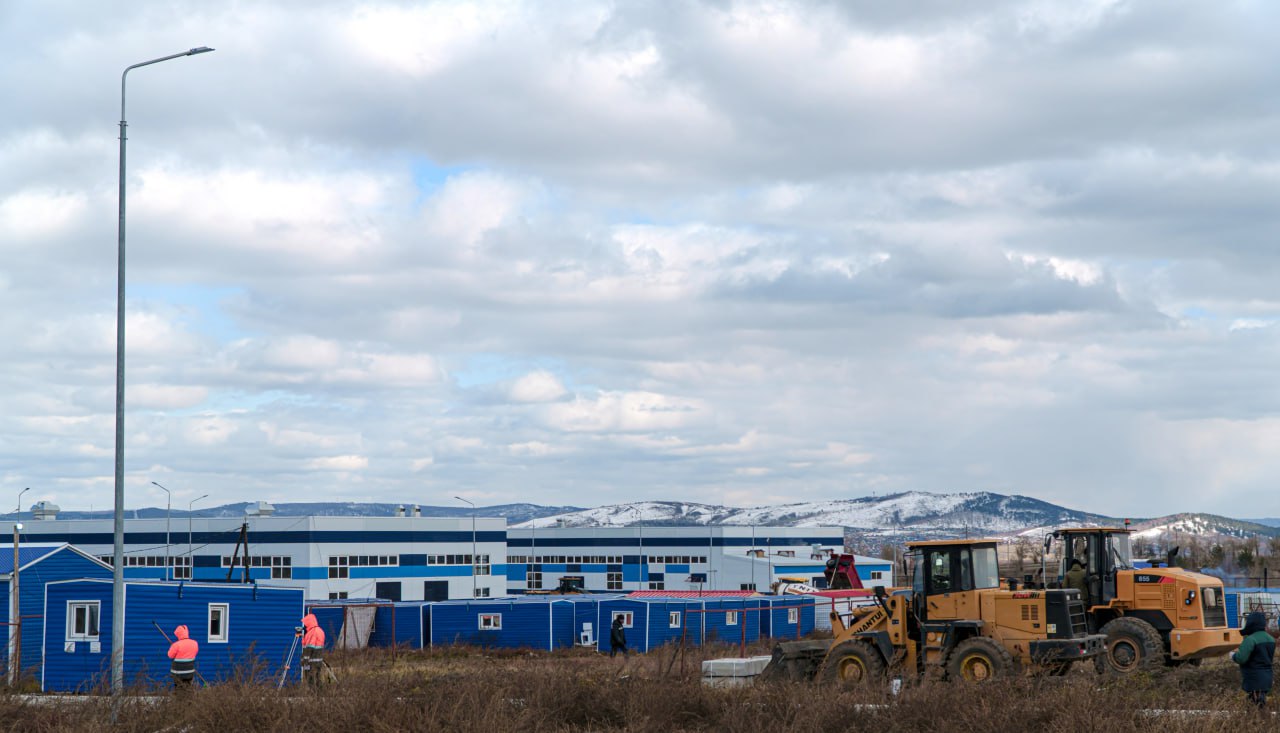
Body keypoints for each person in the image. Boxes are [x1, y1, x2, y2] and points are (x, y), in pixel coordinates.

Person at [1232, 610, 1274, 709]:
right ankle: (1260, 721)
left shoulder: (1251, 640)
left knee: (1255, 706)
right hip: (1267, 677)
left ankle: (1256, 722)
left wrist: (1233, 655)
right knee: (1259, 703)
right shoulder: (1271, 639)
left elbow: (1241, 658)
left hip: (1254, 679)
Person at [166, 624, 199, 691]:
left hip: (178, 673)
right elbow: (195, 653)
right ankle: (188, 700)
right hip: (190, 672)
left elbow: (170, 655)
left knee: (178, 688)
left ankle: (179, 700)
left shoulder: (176, 645)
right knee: (188, 687)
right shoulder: (195, 643)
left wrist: (172, 647)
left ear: (178, 634)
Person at [300, 613, 327, 688]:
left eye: (306, 623)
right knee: (318, 676)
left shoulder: (312, 632)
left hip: (310, 661)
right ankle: (319, 694)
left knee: (310, 677)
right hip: (318, 659)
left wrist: (304, 661)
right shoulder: (320, 631)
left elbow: (309, 648)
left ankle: (313, 693)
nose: (305, 625)